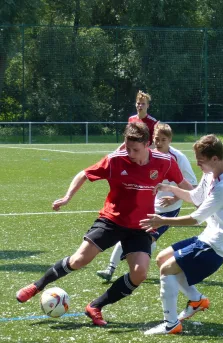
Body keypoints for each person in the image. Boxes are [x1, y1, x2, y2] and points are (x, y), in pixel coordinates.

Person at [15, 122, 193, 326]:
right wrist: (66, 197)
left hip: (140, 226)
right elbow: (84, 174)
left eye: (135, 149)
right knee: (79, 260)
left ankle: (95, 306)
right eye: (127, 148)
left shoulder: (165, 162)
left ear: (147, 145)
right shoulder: (116, 160)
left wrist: (205, 201)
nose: (130, 153)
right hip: (112, 219)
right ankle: (37, 286)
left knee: (140, 273)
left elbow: (186, 187)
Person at [140, 134, 223, 335]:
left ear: (215, 159)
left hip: (217, 246)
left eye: (201, 161)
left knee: (168, 269)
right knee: (162, 259)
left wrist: (162, 220)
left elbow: (196, 218)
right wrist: (170, 188)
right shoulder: (210, 173)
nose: (197, 164)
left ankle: (171, 324)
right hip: (208, 236)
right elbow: (195, 198)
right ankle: (196, 300)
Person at [96, 123, 198, 282]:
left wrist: (174, 198)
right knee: (134, 234)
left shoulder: (178, 158)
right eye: (156, 139)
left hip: (169, 210)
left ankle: (116, 270)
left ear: (170, 140)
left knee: (143, 238)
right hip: (148, 206)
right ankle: (114, 268)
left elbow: (191, 184)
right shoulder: (147, 155)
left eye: (163, 140)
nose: (159, 143)